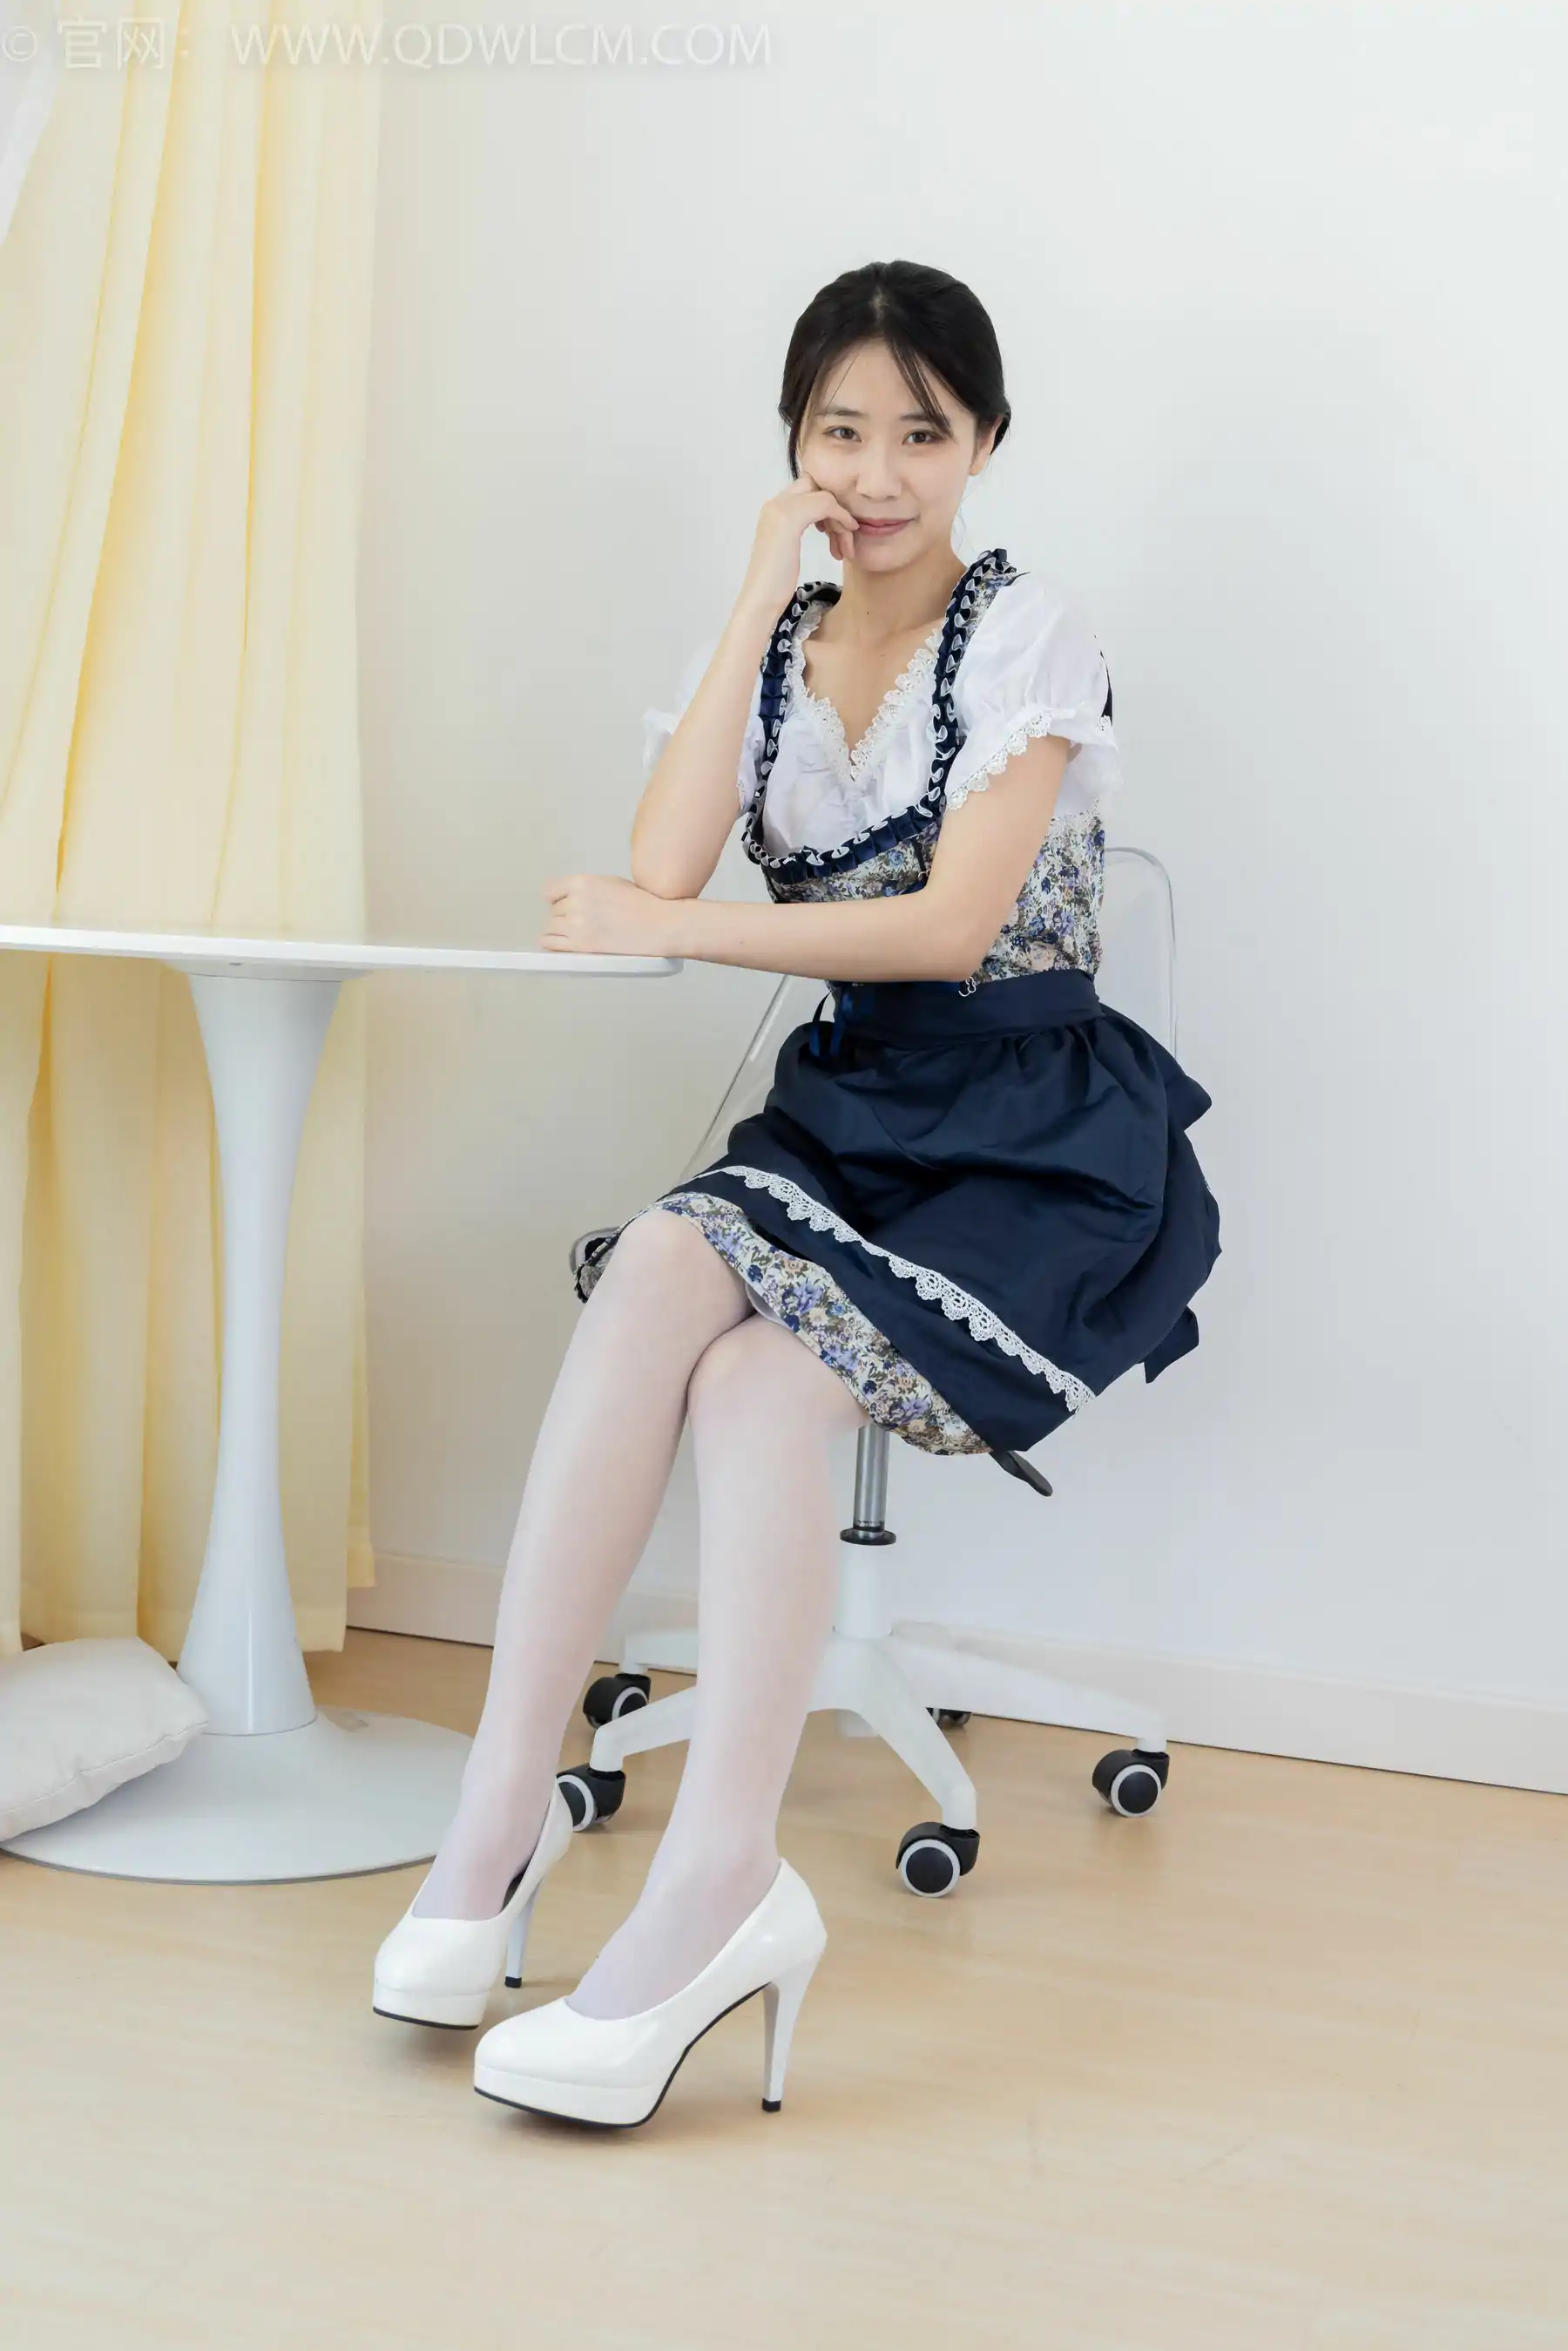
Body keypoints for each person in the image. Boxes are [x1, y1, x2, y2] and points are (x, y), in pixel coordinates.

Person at [372, 259, 1221, 2130]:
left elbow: (947, 927)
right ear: (794, 443)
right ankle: (496, 1822)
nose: (879, 471)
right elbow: (667, 850)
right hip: (854, 1112)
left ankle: (716, 1886)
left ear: (985, 442)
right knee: (659, 1274)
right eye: (842, 430)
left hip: (1027, 1134)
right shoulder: (780, 639)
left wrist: (667, 926)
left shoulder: (1029, 635)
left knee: (766, 1382)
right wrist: (760, 595)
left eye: (924, 430)